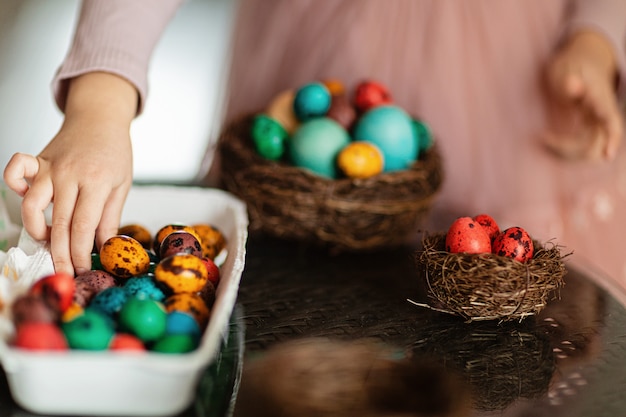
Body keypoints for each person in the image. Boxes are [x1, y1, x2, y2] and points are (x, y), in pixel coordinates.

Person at [3, 0, 626, 289]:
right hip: (324, 43)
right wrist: (102, 100)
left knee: (497, 324)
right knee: (305, 294)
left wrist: (600, 35)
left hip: (519, 81)